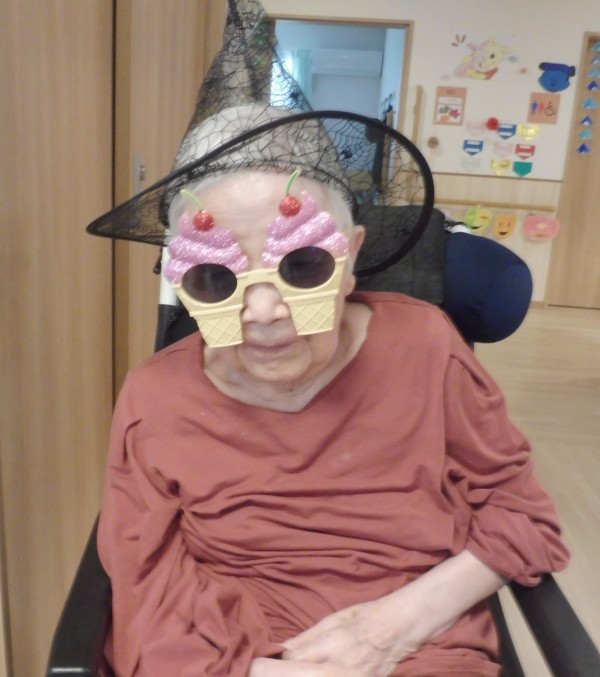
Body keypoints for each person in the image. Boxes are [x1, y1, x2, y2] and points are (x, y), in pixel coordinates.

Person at [90, 2, 569, 675]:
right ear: (182, 280)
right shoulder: (155, 397)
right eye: (215, 278)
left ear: (351, 259)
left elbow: (521, 513)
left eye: (302, 266)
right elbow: (145, 589)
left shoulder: (425, 348)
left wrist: (394, 626)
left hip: (419, 648)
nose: (262, 313)